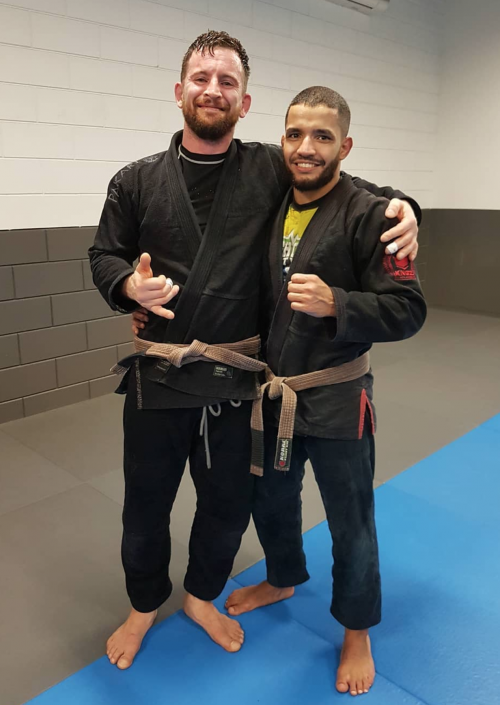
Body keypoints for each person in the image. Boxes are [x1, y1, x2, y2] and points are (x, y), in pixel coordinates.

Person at [90, 31, 420, 672]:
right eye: (201, 78)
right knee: (146, 503)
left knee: (227, 504)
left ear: (244, 103)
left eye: (228, 82)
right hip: (159, 374)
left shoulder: (270, 167)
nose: (212, 90)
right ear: (179, 90)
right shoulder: (134, 181)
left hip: (237, 380)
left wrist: (409, 209)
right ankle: (142, 605)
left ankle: (201, 595)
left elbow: (351, 188)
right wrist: (126, 285)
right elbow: (104, 253)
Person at [222, 87, 427, 697]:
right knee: (271, 499)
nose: (305, 148)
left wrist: (338, 302)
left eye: (322, 136)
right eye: (295, 134)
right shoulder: (273, 200)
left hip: (337, 397)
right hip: (275, 393)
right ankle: (283, 576)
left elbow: (409, 309)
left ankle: (356, 628)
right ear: (282, 138)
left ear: (346, 145)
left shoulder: (373, 215)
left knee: (350, 518)